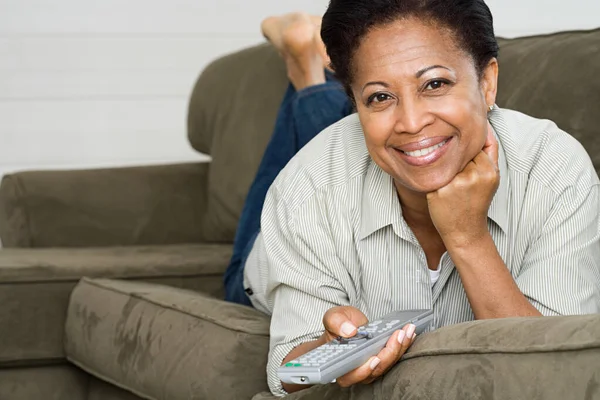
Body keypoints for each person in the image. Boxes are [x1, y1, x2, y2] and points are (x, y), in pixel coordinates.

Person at [226, 1, 600, 396]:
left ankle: (311, 71)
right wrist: (332, 352)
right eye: (379, 98)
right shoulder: (307, 186)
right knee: (339, 151)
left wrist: (467, 237)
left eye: (435, 84)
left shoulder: (555, 171)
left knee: (390, 143)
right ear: (356, 108)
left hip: (363, 162)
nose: (412, 121)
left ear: (488, 81)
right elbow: (285, 373)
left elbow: (554, 373)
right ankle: (306, 70)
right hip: (263, 261)